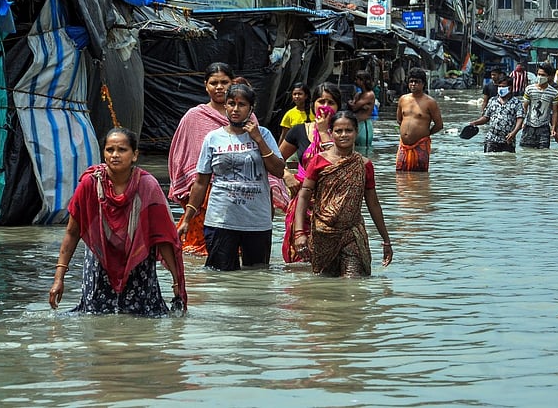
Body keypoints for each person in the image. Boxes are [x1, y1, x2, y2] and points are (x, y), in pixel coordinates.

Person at [49, 127, 187, 317]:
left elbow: (163, 238)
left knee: (143, 323)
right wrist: (59, 279)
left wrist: (176, 282)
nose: (115, 155)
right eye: (110, 150)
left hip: (139, 268)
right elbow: (72, 233)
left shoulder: (148, 187)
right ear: (103, 154)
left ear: (134, 155)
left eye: (122, 150)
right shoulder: (90, 185)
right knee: (95, 320)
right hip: (99, 265)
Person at [168, 63, 287, 257]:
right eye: (214, 82)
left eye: (224, 82)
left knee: (255, 272)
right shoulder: (199, 121)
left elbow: (273, 169)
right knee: (211, 263)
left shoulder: (257, 128)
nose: (219, 87)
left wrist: (258, 139)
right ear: (205, 85)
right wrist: (188, 216)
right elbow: (186, 161)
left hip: (254, 212)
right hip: (214, 204)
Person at [292, 110, 393, 277]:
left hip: (352, 232)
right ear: (331, 133)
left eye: (349, 130)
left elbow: (373, 203)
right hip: (323, 232)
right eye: (338, 131)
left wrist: (386, 240)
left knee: (352, 282)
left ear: (356, 132)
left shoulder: (364, 165)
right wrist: (299, 233)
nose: (343, 135)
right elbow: (303, 196)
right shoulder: (318, 161)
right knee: (325, 283)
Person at [279, 82, 342, 263]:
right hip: (302, 204)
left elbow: (337, 164)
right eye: (321, 101)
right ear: (313, 103)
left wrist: (324, 132)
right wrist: (287, 175)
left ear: (338, 107)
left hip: (331, 204)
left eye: (331, 102)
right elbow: (276, 160)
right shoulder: (299, 131)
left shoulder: (343, 134)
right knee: (300, 260)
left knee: (328, 260)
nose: (325, 107)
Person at [396, 68, 443, 171]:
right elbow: (399, 120)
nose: (413, 84)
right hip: (404, 145)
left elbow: (439, 125)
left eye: (417, 82)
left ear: (423, 84)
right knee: (400, 176)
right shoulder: (403, 99)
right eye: (411, 81)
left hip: (421, 144)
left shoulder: (430, 102)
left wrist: (425, 134)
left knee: (420, 177)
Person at [467, 76, 524, 153]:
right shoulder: (492, 100)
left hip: (508, 140)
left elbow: (520, 119)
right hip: (491, 139)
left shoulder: (517, 103)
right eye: (499, 86)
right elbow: (486, 117)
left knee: (508, 162)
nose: (500, 88)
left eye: (503, 86)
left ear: (510, 88)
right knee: (492, 161)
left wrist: (514, 133)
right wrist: (475, 123)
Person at [520, 62, 558, 149]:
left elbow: (555, 112)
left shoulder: (554, 93)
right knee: (526, 151)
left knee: (543, 155)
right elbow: (524, 107)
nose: (540, 77)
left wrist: (553, 128)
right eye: (538, 74)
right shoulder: (529, 89)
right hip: (529, 126)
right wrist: (522, 122)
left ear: (548, 76)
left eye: (543, 75)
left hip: (544, 128)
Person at [347, 70, 376, 149]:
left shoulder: (369, 94)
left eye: (357, 79)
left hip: (364, 125)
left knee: (364, 150)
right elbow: (352, 106)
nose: (355, 81)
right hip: (356, 124)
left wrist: (352, 103)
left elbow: (354, 107)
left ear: (362, 81)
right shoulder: (358, 94)